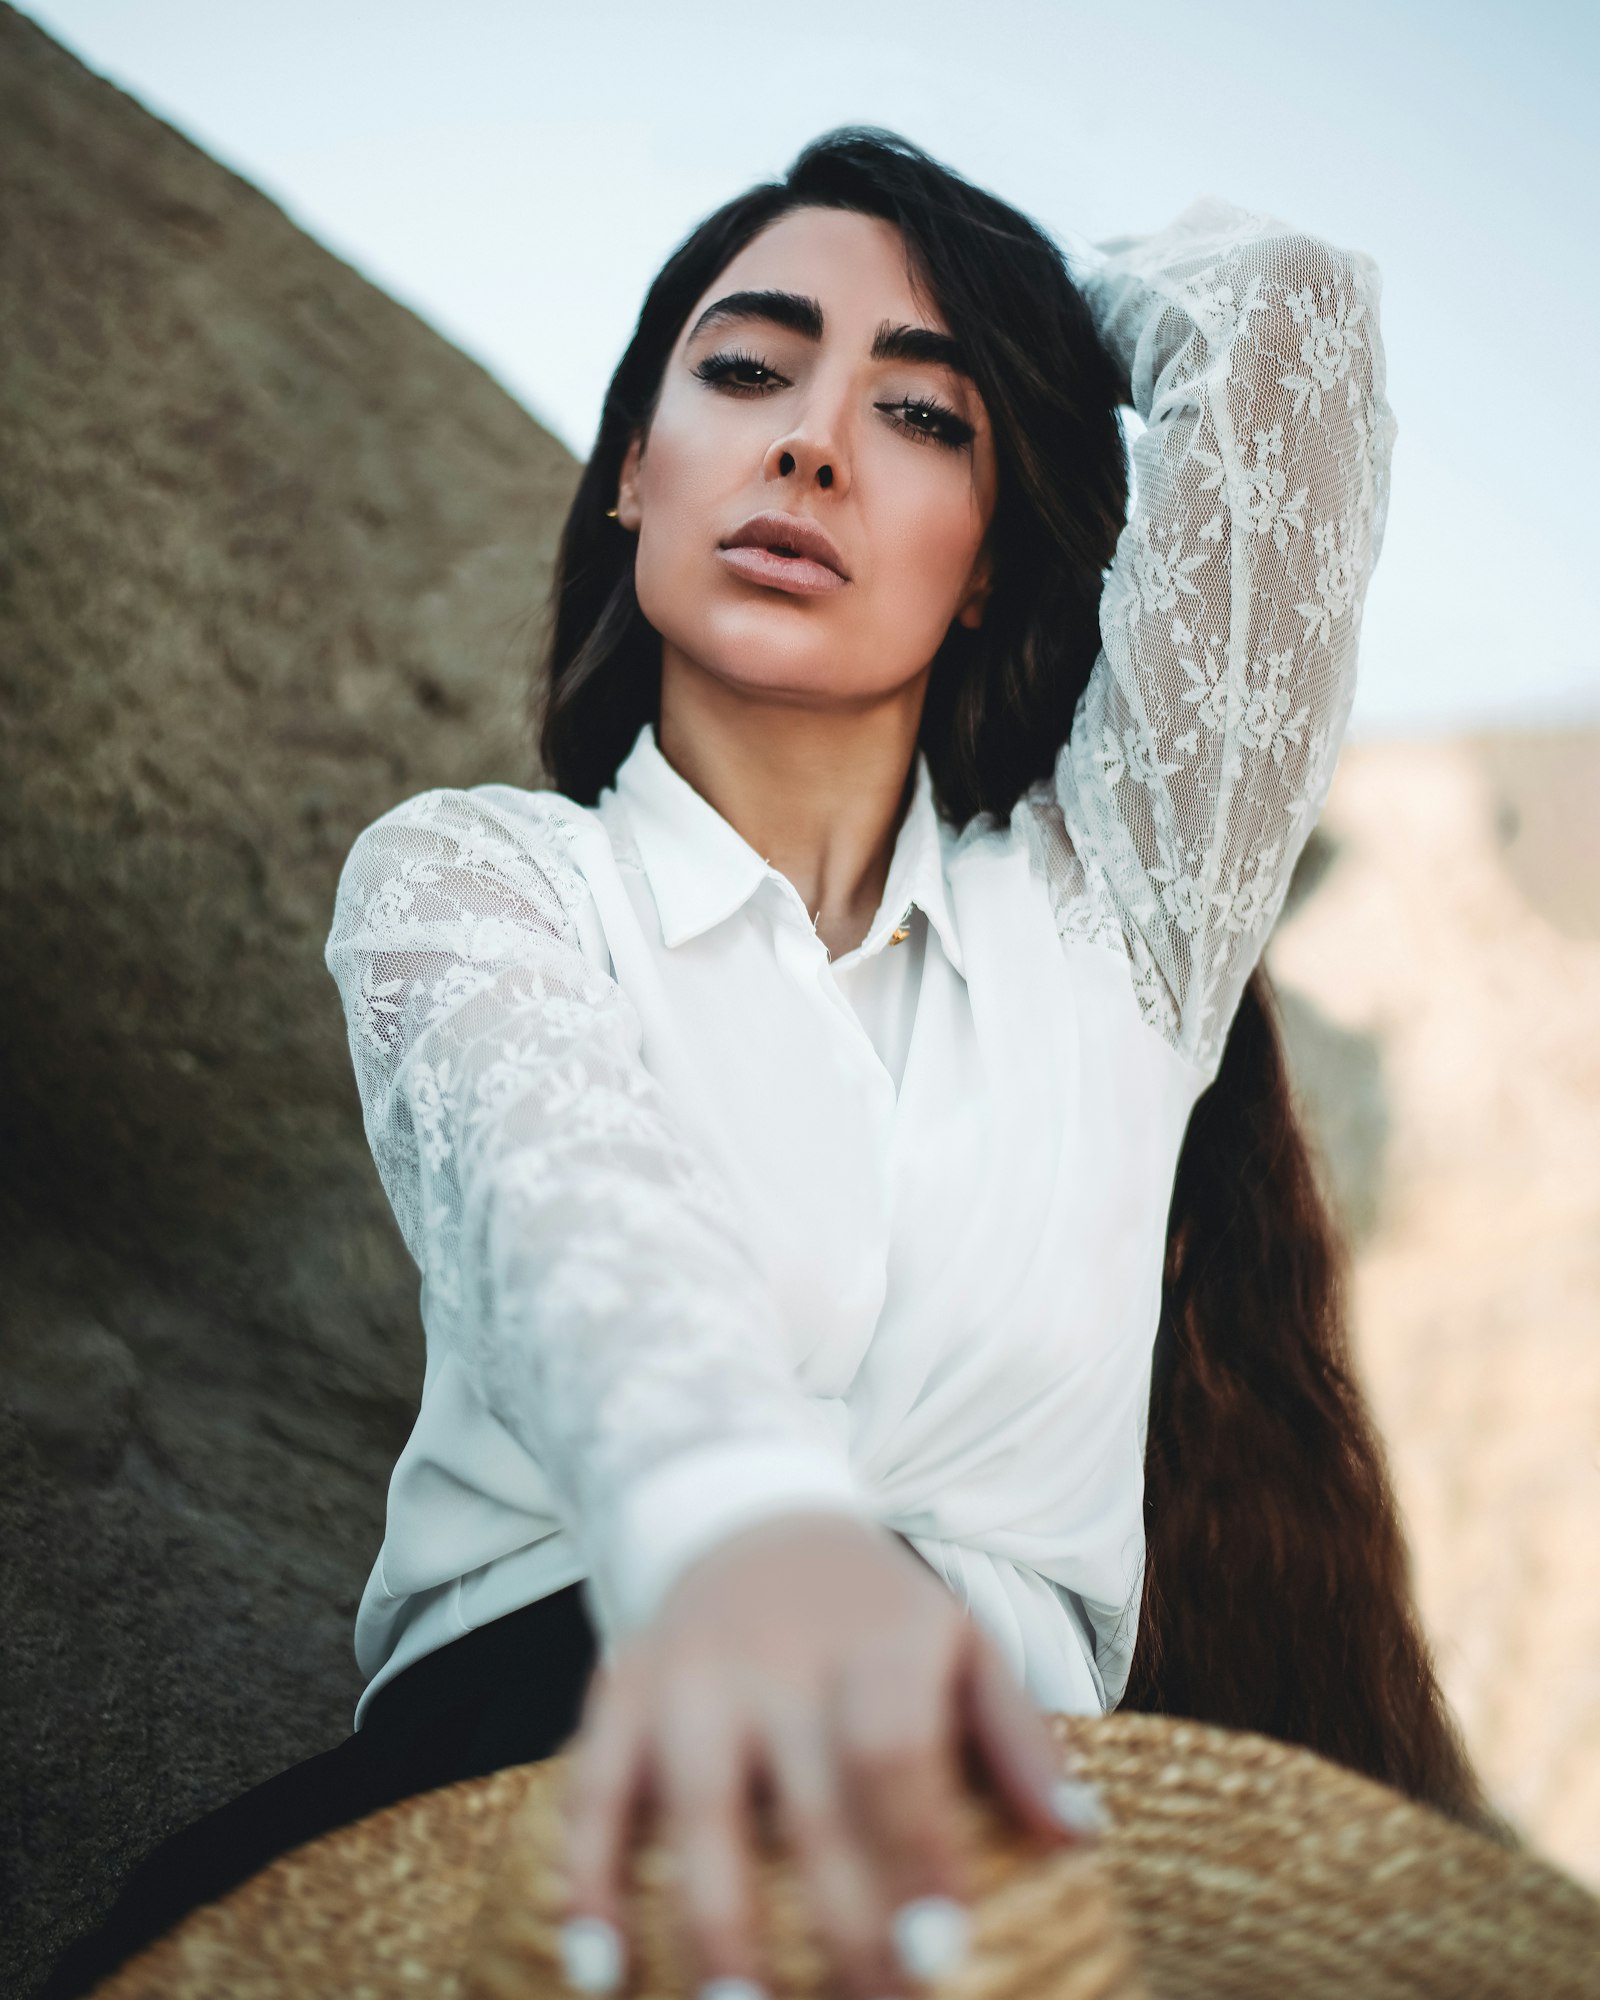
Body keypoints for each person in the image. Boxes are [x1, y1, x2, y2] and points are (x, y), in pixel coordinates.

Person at [43, 125, 1488, 2000]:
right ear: (638, 471)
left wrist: (1029, 309)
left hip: (1026, 1862)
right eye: (746, 370)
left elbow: (1288, 327)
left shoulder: (1119, 926)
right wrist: (743, 1540)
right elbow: (574, 1221)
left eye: (926, 417)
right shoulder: (481, 884)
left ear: (986, 564)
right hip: (538, 1767)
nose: (811, 440)